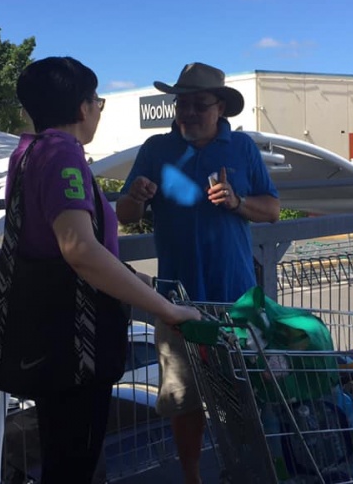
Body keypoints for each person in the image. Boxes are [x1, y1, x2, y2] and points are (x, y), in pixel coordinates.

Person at [12, 56, 201, 484]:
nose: (98, 109)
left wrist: (137, 282)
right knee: (75, 463)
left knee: (63, 458)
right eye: (97, 101)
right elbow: (80, 250)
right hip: (74, 337)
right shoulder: (63, 154)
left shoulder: (28, 152)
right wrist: (167, 310)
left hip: (45, 331)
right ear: (83, 108)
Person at [115, 61, 280, 483]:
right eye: (182, 104)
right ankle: (193, 478)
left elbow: (272, 210)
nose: (187, 113)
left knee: (242, 396)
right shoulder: (155, 149)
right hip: (175, 302)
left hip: (236, 299)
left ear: (220, 107)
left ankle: (246, 473)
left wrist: (237, 202)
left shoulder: (242, 148)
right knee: (184, 401)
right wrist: (136, 196)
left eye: (198, 105)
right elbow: (124, 214)